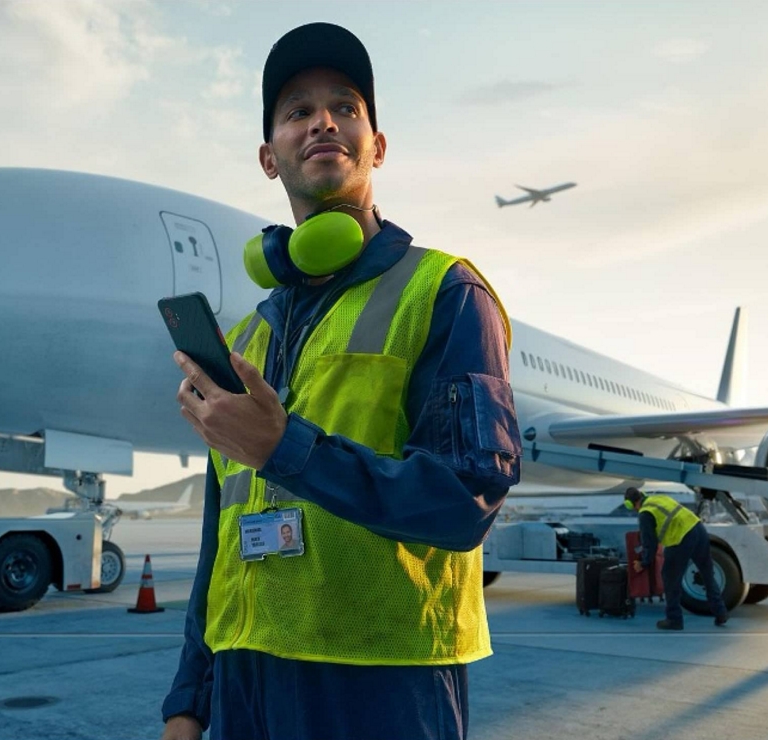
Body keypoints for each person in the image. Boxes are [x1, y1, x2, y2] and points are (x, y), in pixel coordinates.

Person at [161, 22, 520, 740]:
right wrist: (188, 702)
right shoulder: (245, 339)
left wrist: (285, 448)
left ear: (376, 147)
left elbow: (463, 503)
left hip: (381, 679)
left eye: (345, 107)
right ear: (270, 157)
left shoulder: (444, 291)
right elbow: (220, 542)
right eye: (297, 110)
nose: (322, 120)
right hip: (244, 681)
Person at [624, 487, 728, 630]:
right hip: (697, 528)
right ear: (643, 495)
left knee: (670, 578)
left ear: (630, 504)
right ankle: (720, 612)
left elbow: (650, 544)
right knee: (707, 574)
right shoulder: (659, 498)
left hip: (680, 538)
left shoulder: (645, 513)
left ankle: (674, 619)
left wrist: (643, 563)